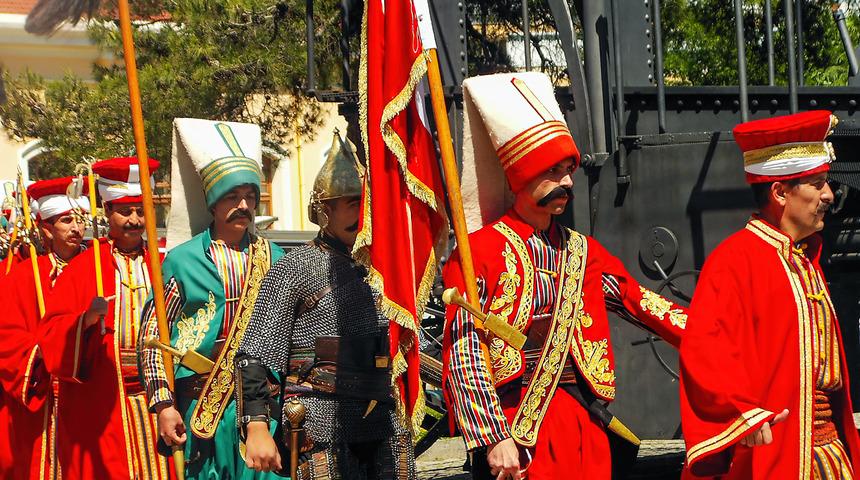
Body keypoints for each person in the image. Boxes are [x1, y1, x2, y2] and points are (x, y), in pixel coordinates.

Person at [442, 72, 688, 480]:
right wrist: (492, 436)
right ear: (521, 176)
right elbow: (464, 351)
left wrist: (718, 335)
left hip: (583, 424)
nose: (569, 181)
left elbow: (644, 304)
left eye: (569, 169)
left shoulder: (583, 251)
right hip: (516, 435)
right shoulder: (479, 252)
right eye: (554, 170)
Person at [680, 110, 860, 479]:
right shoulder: (734, 261)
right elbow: (703, 350)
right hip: (777, 454)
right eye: (817, 183)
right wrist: (742, 413)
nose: (829, 194)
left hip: (829, 456)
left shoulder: (806, 259)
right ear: (780, 192)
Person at [235, 129, 416, 480]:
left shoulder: (388, 268)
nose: (359, 213)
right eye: (349, 203)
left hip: (386, 419)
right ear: (323, 210)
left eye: (363, 203)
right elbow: (254, 354)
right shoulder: (294, 268)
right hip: (319, 421)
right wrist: (256, 425)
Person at [138, 118, 284, 479]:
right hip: (200, 408)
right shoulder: (181, 261)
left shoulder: (277, 258)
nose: (243, 205)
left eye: (250, 196)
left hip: (264, 410)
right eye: (232, 197)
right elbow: (152, 339)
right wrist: (163, 405)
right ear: (214, 204)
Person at [38, 157, 170, 479]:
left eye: (141, 211)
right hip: (105, 398)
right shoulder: (85, 267)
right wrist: (84, 322)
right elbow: (52, 331)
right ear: (108, 213)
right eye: (125, 212)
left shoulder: (164, 261)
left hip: (163, 397)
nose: (135, 220)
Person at [0, 176, 89, 479]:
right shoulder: (24, 276)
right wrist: (43, 356)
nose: (77, 228)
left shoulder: (98, 268)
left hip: (91, 391)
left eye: (80, 220)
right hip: (43, 393)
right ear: (46, 228)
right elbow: (7, 335)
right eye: (66, 221)